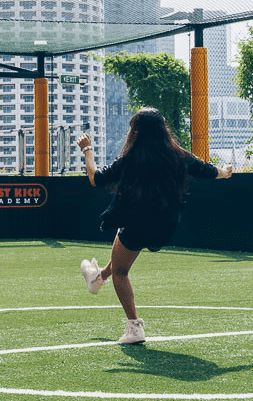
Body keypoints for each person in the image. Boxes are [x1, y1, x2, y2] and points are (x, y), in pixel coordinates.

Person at [78, 107, 232, 344]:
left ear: (135, 132)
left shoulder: (131, 158)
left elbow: (95, 178)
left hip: (136, 223)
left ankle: (134, 328)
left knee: (121, 270)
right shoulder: (177, 154)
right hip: (166, 226)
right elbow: (207, 170)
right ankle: (97, 278)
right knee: (122, 252)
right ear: (163, 130)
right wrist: (225, 172)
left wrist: (87, 149)